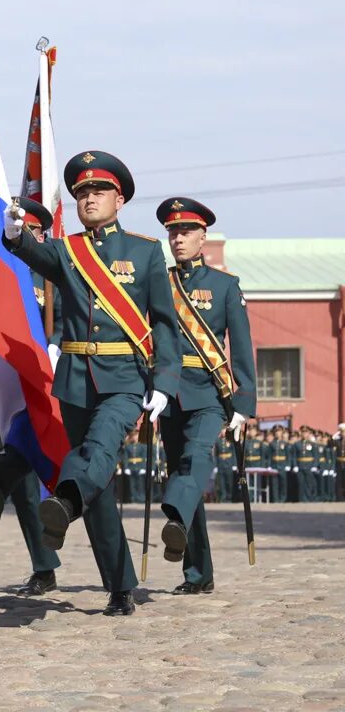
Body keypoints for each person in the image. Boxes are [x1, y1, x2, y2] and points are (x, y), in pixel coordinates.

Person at [3, 150, 180, 616]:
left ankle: (62, 500)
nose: (88, 198)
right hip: (76, 380)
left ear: (119, 199)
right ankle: (120, 584)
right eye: (81, 192)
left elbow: (164, 323)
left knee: (97, 451)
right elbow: (35, 255)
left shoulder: (144, 252)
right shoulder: (68, 250)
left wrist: (163, 380)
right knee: (96, 485)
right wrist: (15, 232)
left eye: (98, 191)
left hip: (125, 378)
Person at [153, 196, 256, 594]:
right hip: (168, 393)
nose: (178, 239)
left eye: (186, 231)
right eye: (173, 232)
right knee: (182, 473)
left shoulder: (225, 286)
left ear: (203, 237)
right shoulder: (159, 282)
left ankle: (174, 517)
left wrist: (243, 404)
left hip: (210, 394)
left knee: (196, 458)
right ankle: (197, 574)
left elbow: (242, 350)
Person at [0, 197, 63, 597]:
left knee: (61, 475)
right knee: (27, 483)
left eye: (33, 229)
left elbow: (74, 315)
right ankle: (43, 566)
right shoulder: (5, 277)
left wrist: (58, 344)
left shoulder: (54, 276)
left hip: (53, 386)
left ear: (42, 233)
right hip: (13, 386)